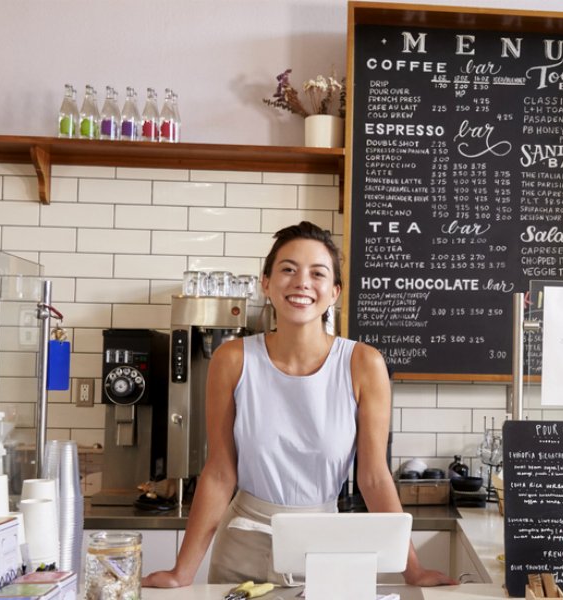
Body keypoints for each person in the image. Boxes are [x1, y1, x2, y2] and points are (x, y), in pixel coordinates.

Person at [142, 221, 456, 588]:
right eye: (288, 269)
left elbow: (372, 477)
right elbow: (220, 472)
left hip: (323, 547)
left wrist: (413, 569)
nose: (301, 282)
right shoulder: (232, 360)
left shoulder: (364, 365)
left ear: (334, 291)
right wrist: (183, 572)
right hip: (242, 544)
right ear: (266, 283)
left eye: (317, 273)